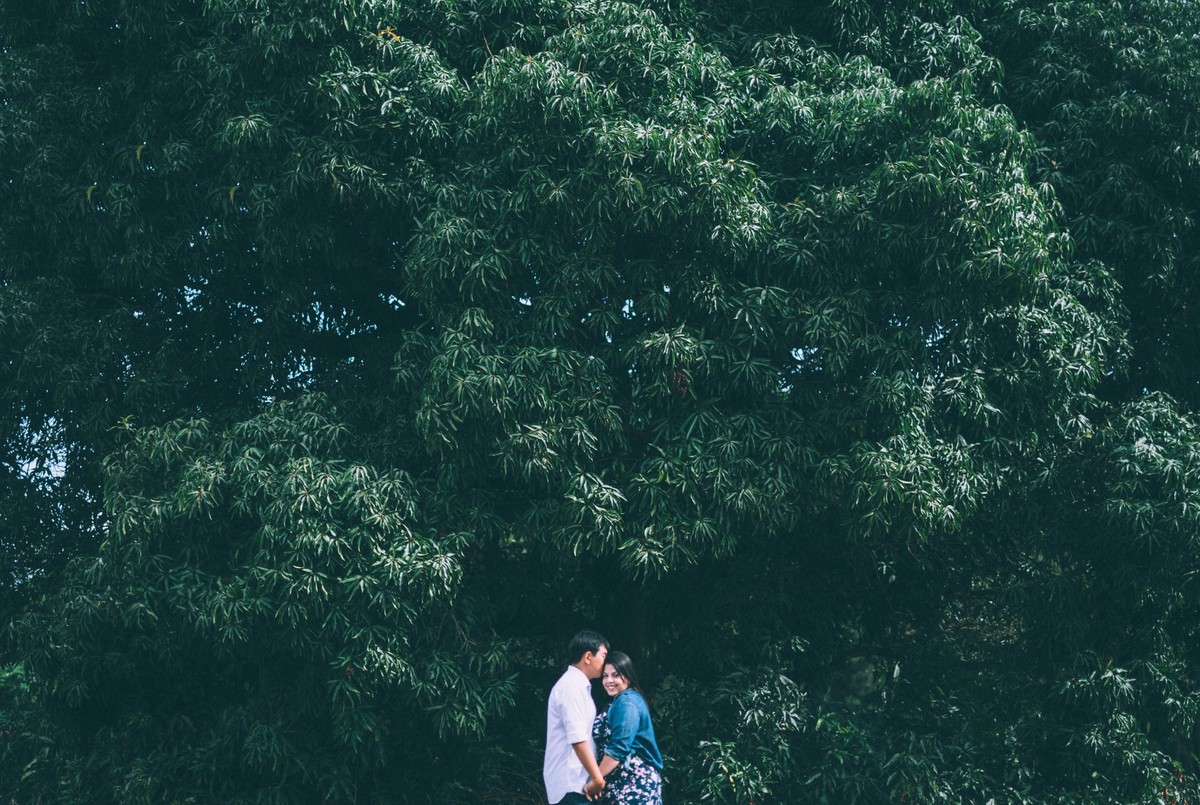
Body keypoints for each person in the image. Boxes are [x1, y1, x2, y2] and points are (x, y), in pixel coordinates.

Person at [587, 651, 663, 804]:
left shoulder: (627, 703)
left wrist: (596, 779)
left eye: (615, 675)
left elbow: (619, 748)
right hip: (622, 783)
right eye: (605, 676)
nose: (609, 680)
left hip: (635, 783)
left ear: (628, 676)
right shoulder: (619, 701)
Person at [545, 630, 610, 805]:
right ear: (588, 656)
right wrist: (598, 778)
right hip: (569, 782)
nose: (605, 663)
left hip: (577, 782)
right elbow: (578, 738)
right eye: (603, 656)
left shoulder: (579, 687)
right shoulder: (571, 687)